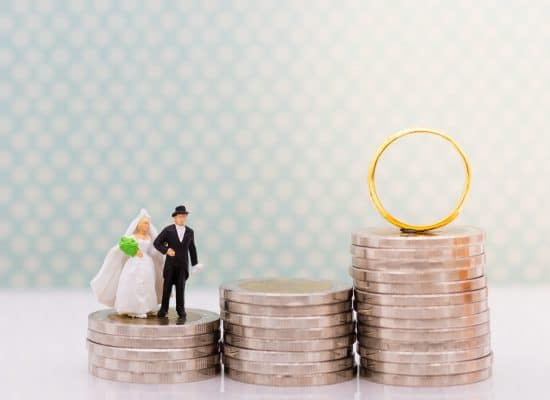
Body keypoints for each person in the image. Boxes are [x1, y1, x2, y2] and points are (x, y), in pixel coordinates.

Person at [90, 208, 164, 317]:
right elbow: (122, 246)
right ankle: (134, 308)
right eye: (144, 223)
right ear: (138, 224)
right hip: (134, 263)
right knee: (134, 283)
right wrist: (133, 251)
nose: (147, 226)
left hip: (147, 264)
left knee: (147, 283)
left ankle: (146, 306)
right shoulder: (132, 237)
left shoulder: (149, 237)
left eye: (148, 224)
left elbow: (153, 250)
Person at [154, 205, 203, 318]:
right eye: (179, 216)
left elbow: (192, 248)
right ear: (175, 218)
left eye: (183, 216)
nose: (181, 218)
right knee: (167, 288)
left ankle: (180, 309)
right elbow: (157, 243)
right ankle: (163, 309)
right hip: (170, 265)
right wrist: (166, 250)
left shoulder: (190, 232)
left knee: (181, 289)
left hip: (182, 266)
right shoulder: (168, 230)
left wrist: (195, 264)